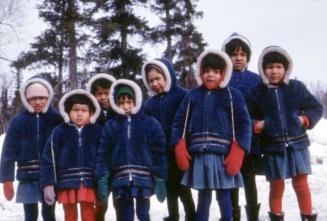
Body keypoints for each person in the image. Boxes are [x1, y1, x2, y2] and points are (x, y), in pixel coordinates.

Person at [172, 49, 252, 221]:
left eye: (216, 72)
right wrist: (179, 144)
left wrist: (239, 149)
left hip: (224, 155)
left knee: (224, 196)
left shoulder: (232, 96)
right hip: (200, 155)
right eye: (207, 71)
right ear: (201, 72)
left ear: (223, 73)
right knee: (204, 197)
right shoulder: (192, 95)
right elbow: (179, 122)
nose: (210, 75)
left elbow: (244, 124)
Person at [247, 46, 323, 221]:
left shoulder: (296, 88)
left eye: (279, 67)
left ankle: (307, 217)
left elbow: (316, 107)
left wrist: (305, 120)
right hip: (273, 147)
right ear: (263, 69)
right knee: (277, 185)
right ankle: (276, 217)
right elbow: (245, 117)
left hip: (298, 145)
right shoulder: (257, 92)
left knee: (301, 183)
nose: (274, 71)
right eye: (270, 67)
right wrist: (256, 124)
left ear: (286, 68)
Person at [95, 79, 168, 221]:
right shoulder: (111, 125)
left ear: (137, 101)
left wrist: (160, 176)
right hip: (120, 178)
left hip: (143, 178)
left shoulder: (150, 123)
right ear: (116, 104)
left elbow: (159, 151)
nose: (126, 106)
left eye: (129, 102)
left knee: (143, 213)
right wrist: (102, 176)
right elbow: (103, 153)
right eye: (121, 103)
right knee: (125, 214)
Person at [0, 77, 62, 221]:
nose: (38, 102)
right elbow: (8, 152)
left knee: (48, 213)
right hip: (27, 175)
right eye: (33, 98)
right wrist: (6, 179)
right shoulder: (18, 121)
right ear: (26, 99)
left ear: (49, 98)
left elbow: (64, 146)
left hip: (49, 176)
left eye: (42, 98)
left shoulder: (56, 119)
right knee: (30, 214)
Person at [142, 58, 196, 221]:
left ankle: (191, 215)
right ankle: (173, 215)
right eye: (150, 80)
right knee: (169, 187)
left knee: (183, 187)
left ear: (168, 76)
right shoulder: (149, 104)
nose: (155, 83)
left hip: (181, 150)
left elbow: (191, 120)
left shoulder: (183, 95)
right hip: (162, 153)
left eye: (158, 78)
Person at [40, 89, 102, 221]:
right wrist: (48, 183)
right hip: (66, 182)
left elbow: (103, 157)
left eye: (84, 110)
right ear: (68, 112)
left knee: (89, 214)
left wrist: (103, 180)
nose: (79, 114)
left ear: (91, 112)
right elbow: (48, 159)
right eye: (75, 110)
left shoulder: (97, 131)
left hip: (89, 182)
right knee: (70, 215)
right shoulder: (58, 132)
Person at [222, 33, 262, 221]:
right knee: (231, 179)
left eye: (242, 54)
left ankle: (253, 215)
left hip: (251, 141)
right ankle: (233, 216)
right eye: (234, 54)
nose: (238, 58)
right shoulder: (222, 80)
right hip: (228, 141)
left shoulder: (256, 80)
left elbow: (263, 108)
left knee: (249, 179)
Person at [86, 73, 118, 221]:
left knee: (120, 203)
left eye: (107, 93)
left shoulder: (120, 114)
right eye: (99, 94)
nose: (103, 97)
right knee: (101, 203)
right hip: (98, 167)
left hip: (118, 167)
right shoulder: (89, 117)